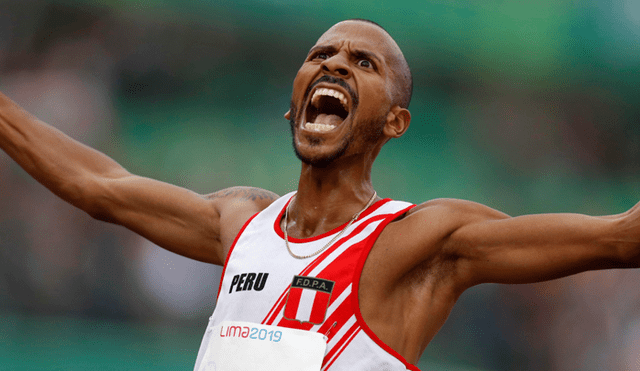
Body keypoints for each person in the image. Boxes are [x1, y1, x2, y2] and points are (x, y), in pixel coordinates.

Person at [1, 18, 639, 371]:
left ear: (395, 122)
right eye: (321, 53)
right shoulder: (240, 221)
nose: (334, 63)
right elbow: (99, 188)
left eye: (364, 63)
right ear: (292, 106)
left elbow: (619, 238)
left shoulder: (414, 242)